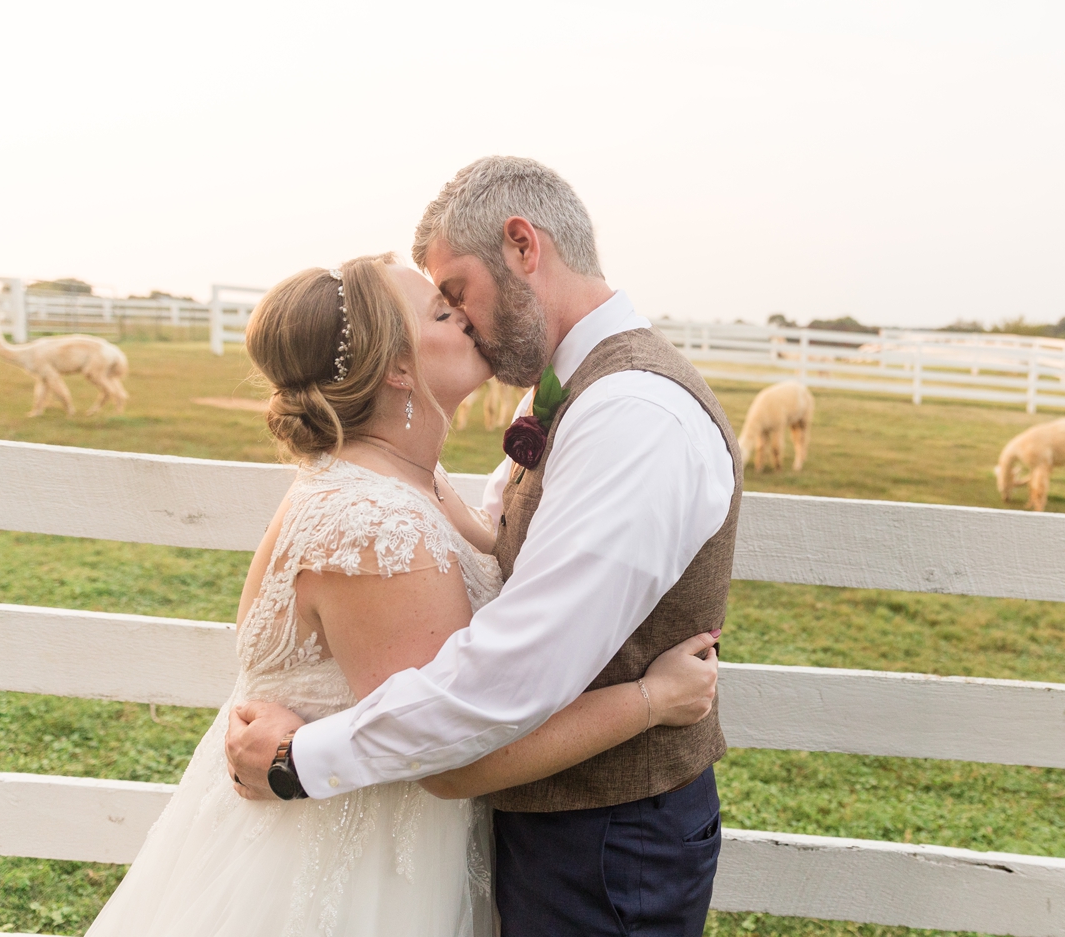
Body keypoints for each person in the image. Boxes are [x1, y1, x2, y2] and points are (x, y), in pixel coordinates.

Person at [86, 254, 721, 937]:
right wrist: (653, 701)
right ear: (396, 366)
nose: (471, 319)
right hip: (348, 873)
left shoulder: (420, 481)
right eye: (445, 312)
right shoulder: (374, 529)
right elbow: (457, 759)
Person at [227, 157, 744, 935]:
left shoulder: (633, 416)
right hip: (529, 832)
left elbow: (512, 671)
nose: (463, 319)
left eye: (457, 293)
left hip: (608, 842)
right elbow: (507, 551)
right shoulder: (563, 397)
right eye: (442, 309)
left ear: (522, 246)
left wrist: (301, 760)